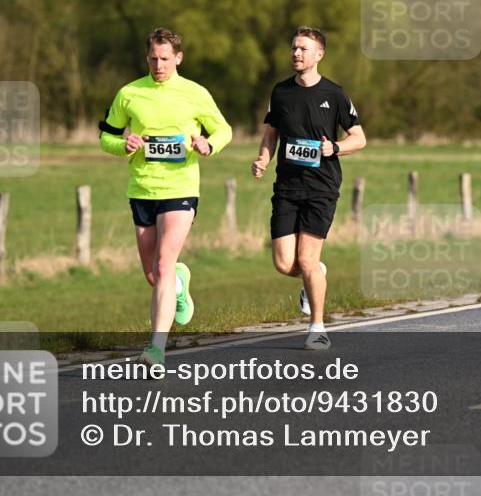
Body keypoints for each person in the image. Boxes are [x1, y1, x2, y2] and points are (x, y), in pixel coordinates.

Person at [99, 27, 232, 368]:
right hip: (142, 189)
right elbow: (106, 137)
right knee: (154, 275)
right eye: (153, 59)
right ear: (147, 58)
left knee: (163, 264)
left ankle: (155, 350)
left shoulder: (195, 93)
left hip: (180, 189)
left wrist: (208, 144)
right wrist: (123, 145)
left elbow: (223, 129)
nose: (159, 66)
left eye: (165, 59)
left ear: (178, 58)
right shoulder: (130, 93)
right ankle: (180, 283)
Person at [251, 27, 366, 350]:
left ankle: (317, 328)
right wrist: (262, 159)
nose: (296, 53)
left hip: (321, 186)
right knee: (284, 263)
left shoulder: (335, 93)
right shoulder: (281, 92)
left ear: (319, 55)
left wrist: (335, 148)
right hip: (287, 187)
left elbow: (359, 138)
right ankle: (315, 273)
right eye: (294, 48)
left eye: (303, 48)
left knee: (307, 258)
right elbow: (271, 134)